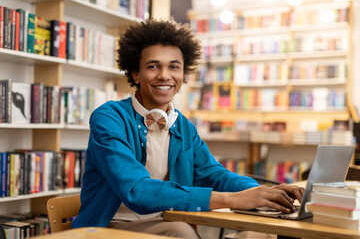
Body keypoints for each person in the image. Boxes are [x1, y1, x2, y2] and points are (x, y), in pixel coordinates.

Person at [71, 19, 304, 238]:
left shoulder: (183, 126)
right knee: (181, 232)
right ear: (135, 73)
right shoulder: (109, 117)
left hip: (167, 219)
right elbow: (136, 189)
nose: (165, 75)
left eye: (174, 67)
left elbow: (216, 176)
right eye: (153, 66)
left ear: (183, 74)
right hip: (109, 226)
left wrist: (263, 193)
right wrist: (232, 199)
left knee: (263, 232)